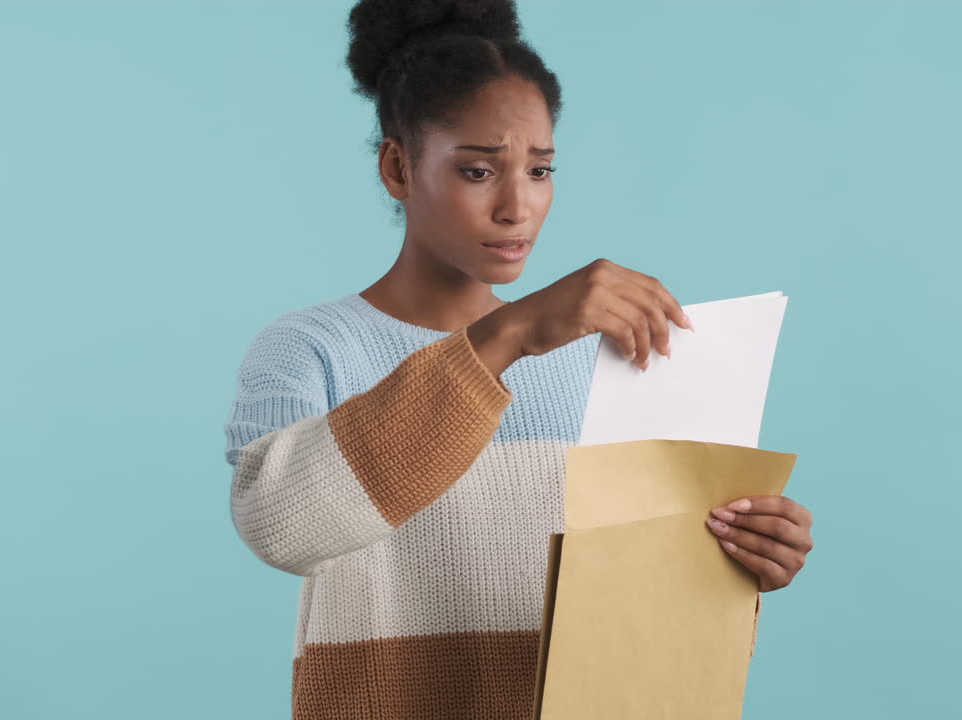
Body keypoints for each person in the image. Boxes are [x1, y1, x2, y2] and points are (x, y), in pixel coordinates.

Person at [222, 1, 815, 716]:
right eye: (478, 171)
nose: (517, 207)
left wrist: (739, 563)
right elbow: (280, 525)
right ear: (398, 167)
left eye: (540, 170)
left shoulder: (603, 362)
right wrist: (508, 335)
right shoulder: (309, 348)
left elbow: (646, 633)